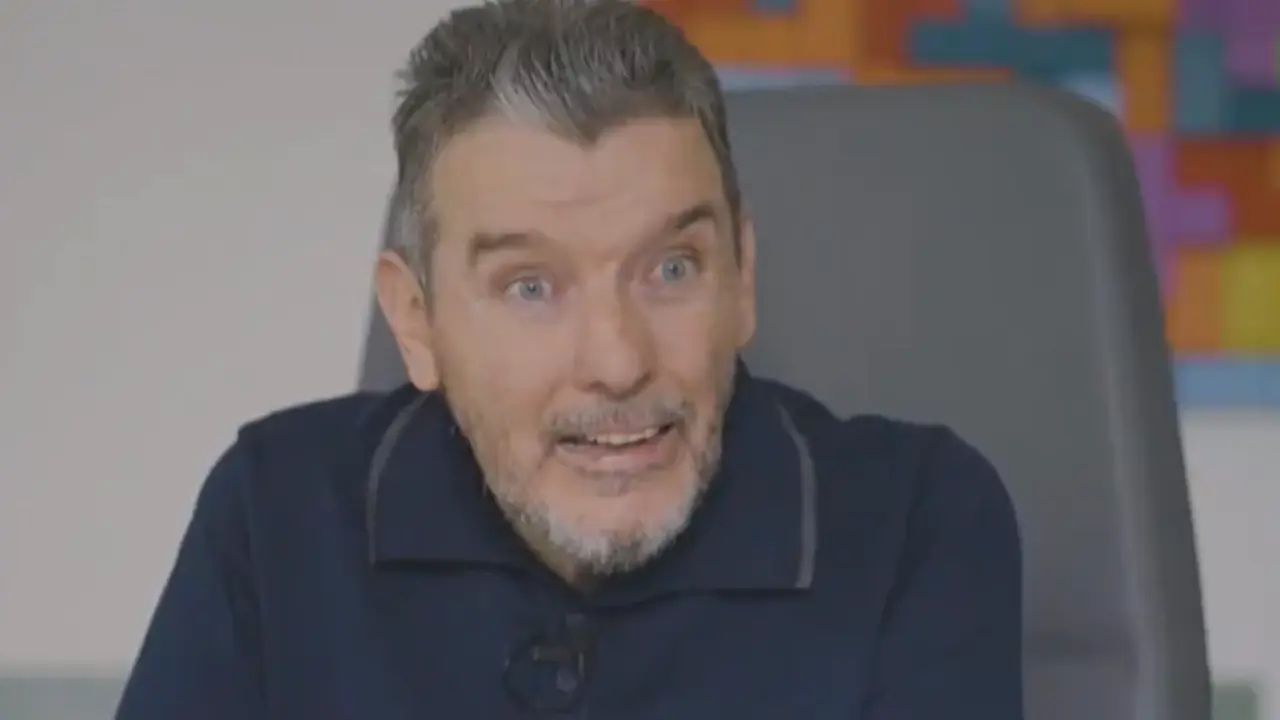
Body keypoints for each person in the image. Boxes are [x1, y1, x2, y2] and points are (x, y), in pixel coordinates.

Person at [116, 0, 1023, 717]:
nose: (618, 363)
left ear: (742, 279)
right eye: (530, 286)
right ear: (417, 321)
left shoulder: (915, 522)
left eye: (671, 269)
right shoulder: (273, 513)